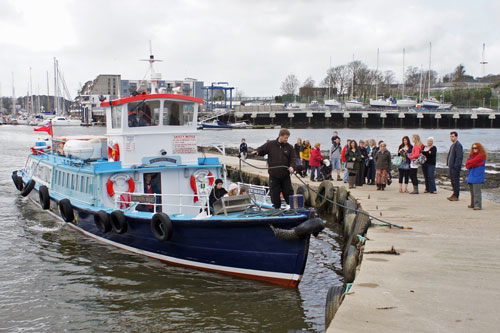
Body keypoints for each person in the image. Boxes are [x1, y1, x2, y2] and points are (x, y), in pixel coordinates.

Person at [252, 129, 296, 209]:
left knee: (289, 193)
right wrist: (257, 151)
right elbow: (262, 149)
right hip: (274, 176)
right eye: (285, 138)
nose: (287, 139)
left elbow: (293, 158)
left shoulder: (289, 147)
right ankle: (276, 210)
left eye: (287, 138)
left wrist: (292, 166)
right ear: (280, 136)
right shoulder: (270, 144)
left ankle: (292, 209)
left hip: (285, 176)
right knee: (274, 195)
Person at [466, 143, 486, 210]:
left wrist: (470, 162)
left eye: (476, 148)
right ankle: (473, 204)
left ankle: (478, 205)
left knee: (477, 192)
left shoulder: (481, 156)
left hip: (478, 176)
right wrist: (470, 162)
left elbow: (472, 163)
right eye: (473, 148)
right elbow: (467, 165)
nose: (474, 149)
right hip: (471, 175)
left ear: (479, 148)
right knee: (472, 192)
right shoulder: (471, 156)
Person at [447, 131, 463, 201]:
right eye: (450, 136)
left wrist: (456, 166)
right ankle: (454, 193)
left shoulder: (458, 145)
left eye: (453, 136)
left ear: (456, 137)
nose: (451, 138)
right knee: (452, 181)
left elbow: (459, 157)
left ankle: (456, 195)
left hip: (455, 167)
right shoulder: (453, 145)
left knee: (455, 181)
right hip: (451, 166)